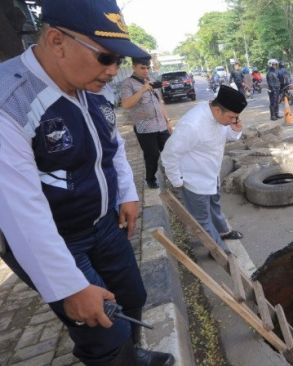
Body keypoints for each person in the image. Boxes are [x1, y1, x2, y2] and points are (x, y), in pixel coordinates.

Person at [0, 0, 175, 365]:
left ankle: (133, 354)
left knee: (133, 295)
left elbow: (111, 148)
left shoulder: (93, 88)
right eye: (105, 58)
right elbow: (20, 213)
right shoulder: (10, 102)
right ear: (56, 40)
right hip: (57, 238)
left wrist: (126, 193)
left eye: (119, 61)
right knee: (103, 330)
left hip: (104, 222)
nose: (113, 71)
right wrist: (69, 287)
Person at [161, 86, 247, 254]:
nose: (233, 120)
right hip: (194, 181)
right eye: (231, 117)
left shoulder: (218, 116)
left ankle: (223, 232)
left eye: (235, 118)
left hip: (211, 174)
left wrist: (235, 130)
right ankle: (219, 251)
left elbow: (224, 135)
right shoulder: (192, 125)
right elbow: (169, 154)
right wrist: (177, 182)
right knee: (202, 220)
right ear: (217, 109)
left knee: (214, 206)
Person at [120, 56, 172, 189]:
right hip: (145, 128)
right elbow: (126, 104)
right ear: (134, 67)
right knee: (152, 155)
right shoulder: (128, 83)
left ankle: (171, 177)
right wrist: (142, 89)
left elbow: (159, 103)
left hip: (161, 125)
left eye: (147, 68)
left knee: (170, 151)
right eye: (142, 68)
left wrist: (168, 121)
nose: (146, 71)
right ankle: (150, 178)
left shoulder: (151, 81)